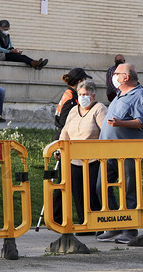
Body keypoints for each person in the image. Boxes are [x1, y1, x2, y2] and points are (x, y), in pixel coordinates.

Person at [96, 63, 143, 244]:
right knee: (101, 186)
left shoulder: (140, 95)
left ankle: (129, 230)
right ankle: (115, 225)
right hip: (109, 151)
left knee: (129, 190)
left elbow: (141, 122)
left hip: (128, 152)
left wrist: (120, 123)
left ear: (126, 77)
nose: (114, 77)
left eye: (117, 74)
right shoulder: (119, 95)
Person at [59, 80, 107, 229]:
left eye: (86, 94)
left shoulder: (99, 109)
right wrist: (59, 148)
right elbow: (65, 131)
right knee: (78, 192)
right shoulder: (74, 110)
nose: (82, 97)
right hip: (74, 158)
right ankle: (83, 223)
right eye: (80, 94)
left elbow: (105, 132)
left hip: (93, 159)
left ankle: (96, 223)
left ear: (93, 96)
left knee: (92, 190)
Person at [53, 67, 92, 224]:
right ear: (78, 81)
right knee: (64, 183)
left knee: (64, 182)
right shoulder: (70, 97)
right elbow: (64, 122)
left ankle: (57, 218)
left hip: (65, 142)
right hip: (67, 143)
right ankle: (57, 218)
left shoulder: (69, 94)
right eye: (84, 80)